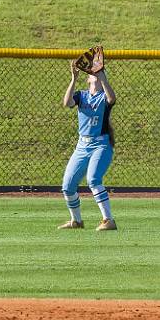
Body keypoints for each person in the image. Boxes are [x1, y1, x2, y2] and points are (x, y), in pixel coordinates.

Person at [59, 62, 117, 231]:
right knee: (67, 186)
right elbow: (67, 103)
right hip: (82, 146)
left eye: (99, 73)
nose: (96, 74)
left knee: (93, 179)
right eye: (93, 73)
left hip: (101, 145)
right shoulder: (81, 95)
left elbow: (111, 99)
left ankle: (109, 220)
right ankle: (76, 221)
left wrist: (104, 78)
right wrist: (73, 78)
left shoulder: (103, 96)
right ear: (88, 79)